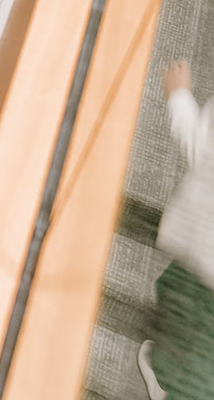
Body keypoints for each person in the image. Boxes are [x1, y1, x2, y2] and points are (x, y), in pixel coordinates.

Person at [139, 59, 214, 400]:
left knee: (186, 327)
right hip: (196, 256)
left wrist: (180, 98)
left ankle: (170, 383)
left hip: (198, 255)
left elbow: (200, 148)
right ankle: (169, 379)